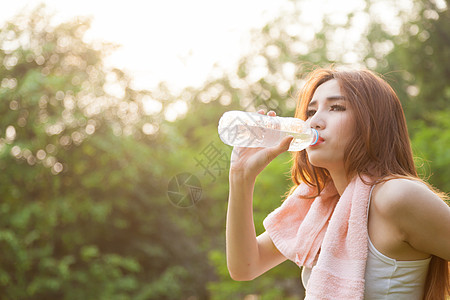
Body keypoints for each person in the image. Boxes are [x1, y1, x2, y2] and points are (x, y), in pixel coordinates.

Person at [225, 68, 450, 299]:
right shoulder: (319, 204)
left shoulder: (396, 196)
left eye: (336, 107)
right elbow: (245, 267)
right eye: (311, 111)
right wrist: (240, 177)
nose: (314, 121)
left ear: (372, 122)